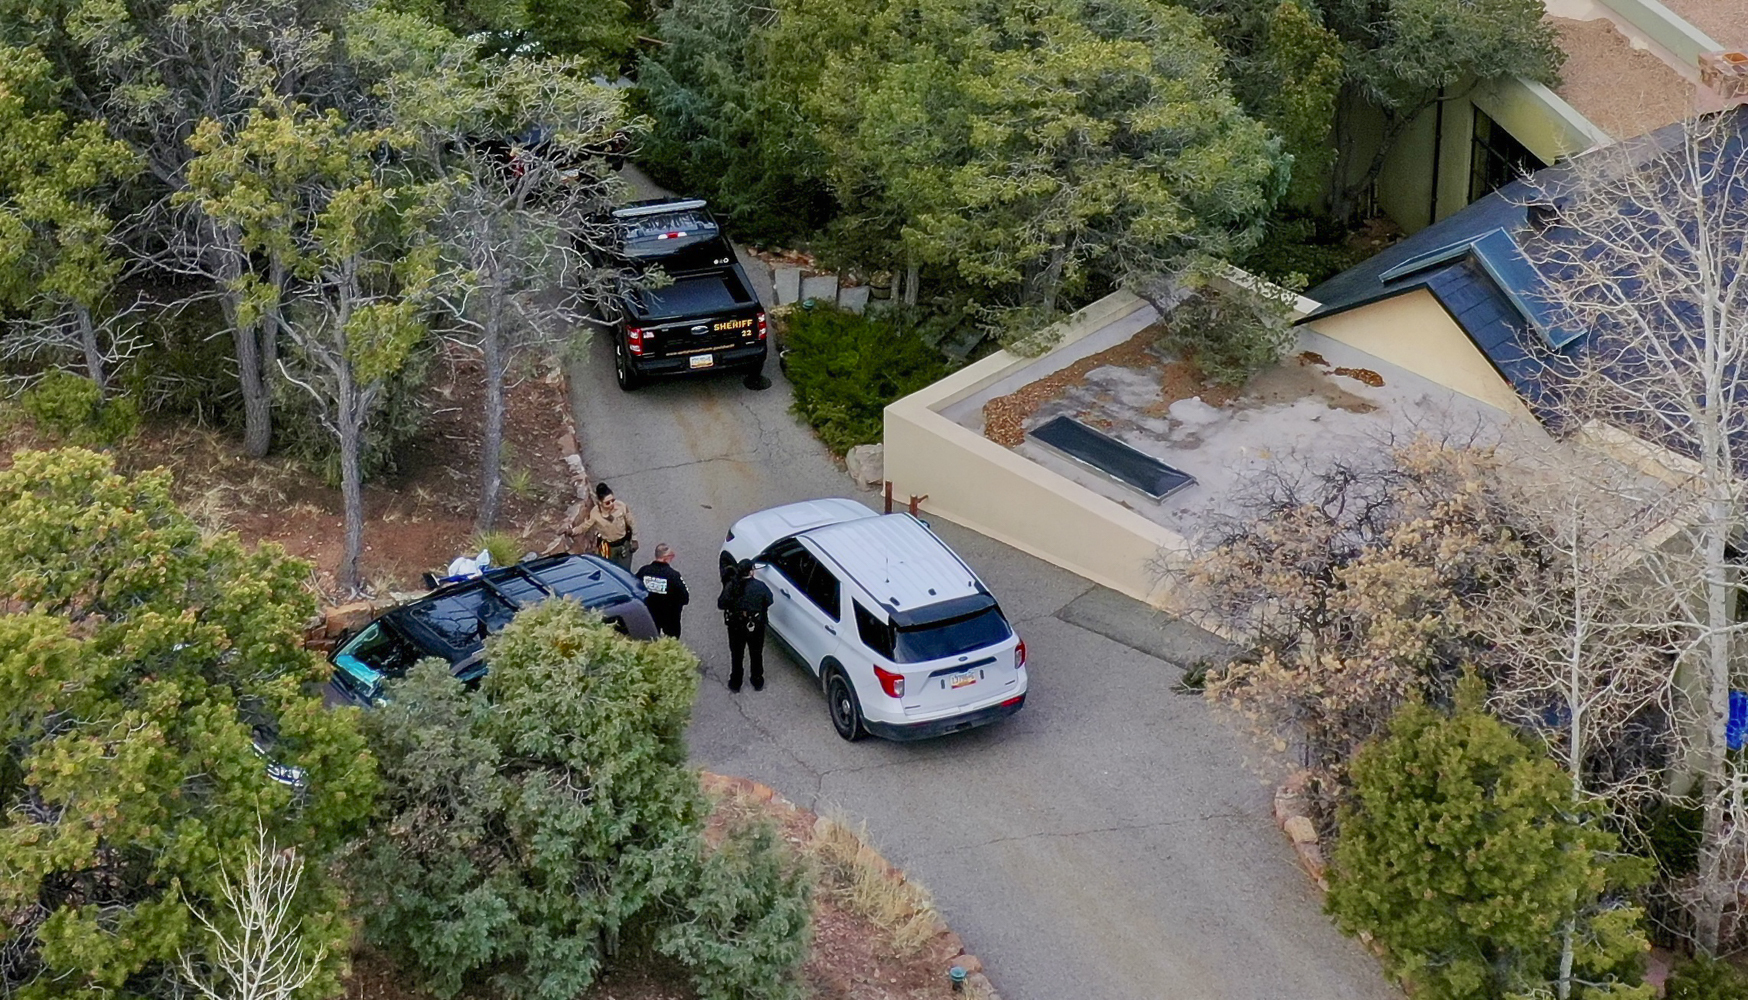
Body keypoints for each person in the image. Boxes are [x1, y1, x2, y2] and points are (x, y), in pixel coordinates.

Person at [717, 558, 773, 692]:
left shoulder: (732, 586)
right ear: (751, 572)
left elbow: (721, 604)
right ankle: (757, 680)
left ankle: (736, 682)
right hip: (756, 625)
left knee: (736, 655)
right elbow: (769, 600)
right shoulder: (759, 586)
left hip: (735, 625)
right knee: (756, 653)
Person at [566, 482, 637, 570]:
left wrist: (634, 539)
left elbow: (631, 522)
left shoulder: (621, 506)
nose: (611, 504)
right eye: (607, 503)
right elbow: (584, 526)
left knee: (625, 571)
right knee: (610, 570)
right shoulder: (595, 514)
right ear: (600, 502)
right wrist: (572, 531)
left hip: (624, 545)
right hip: (609, 548)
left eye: (613, 500)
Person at [634, 543, 689, 638]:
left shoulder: (643, 571)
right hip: (669, 618)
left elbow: (634, 589)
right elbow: (685, 597)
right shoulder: (673, 576)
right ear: (666, 557)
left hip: (647, 616)